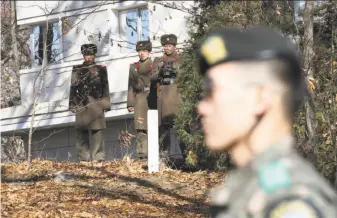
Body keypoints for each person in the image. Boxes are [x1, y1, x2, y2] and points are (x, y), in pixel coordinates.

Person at [197, 27, 337, 217]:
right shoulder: (253, 186)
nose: (202, 108)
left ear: (260, 98)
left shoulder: (288, 201)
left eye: (211, 92)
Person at [69, 44, 111, 162]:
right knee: (81, 133)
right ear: (83, 56)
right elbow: (72, 88)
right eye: (86, 55)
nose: (88, 57)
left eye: (90, 55)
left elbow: (105, 87)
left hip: (97, 104)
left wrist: (106, 104)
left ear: (94, 55)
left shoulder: (101, 69)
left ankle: (98, 158)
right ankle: (84, 159)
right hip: (81, 104)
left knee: (97, 132)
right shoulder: (77, 69)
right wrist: (72, 104)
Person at [151, 34, 186, 161]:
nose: (167, 48)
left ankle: (187, 156)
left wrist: (176, 70)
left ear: (174, 46)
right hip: (164, 96)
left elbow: (186, 76)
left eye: (170, 46)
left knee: (182, 127)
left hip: (178, 95)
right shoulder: (158, 60)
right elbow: (152, 78)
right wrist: (160, 71)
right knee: (164, 130)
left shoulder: (181, 59)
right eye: (165, 46)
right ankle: (164, 157)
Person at [127, 40, 153, 159]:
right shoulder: (133, 67)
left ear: (149, 52)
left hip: (153, 97)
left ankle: (157, 154)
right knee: (141, 128)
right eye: (139, 51)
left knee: (154, 126)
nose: (142, 53)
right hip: (140, 100)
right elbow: (130, 86)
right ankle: (142, 155)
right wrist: (130, 103)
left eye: (145, 51)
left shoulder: (154, 64)